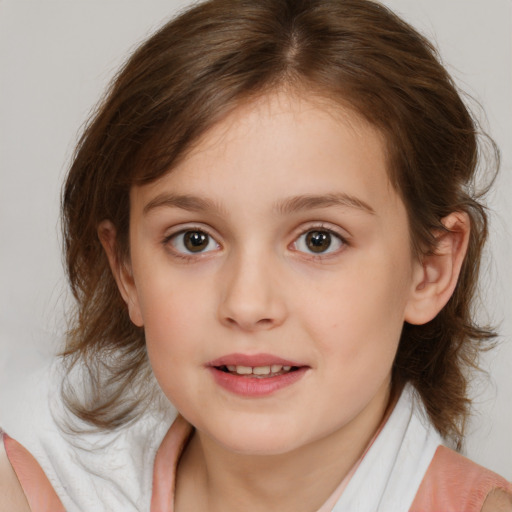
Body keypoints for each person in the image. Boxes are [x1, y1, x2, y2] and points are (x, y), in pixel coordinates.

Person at [1, 0, 511, 510]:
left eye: (319, 240)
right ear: (127, 272)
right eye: (194, 240)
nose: (247, 304)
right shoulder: (32, 478)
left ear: (429, 270)